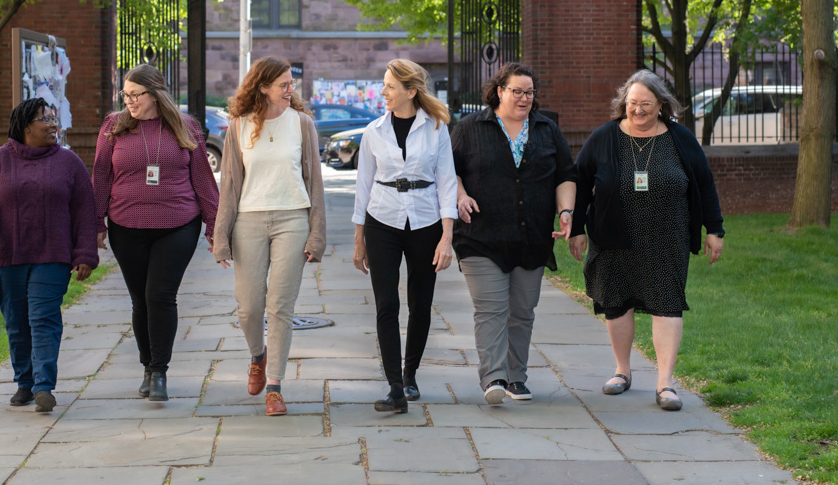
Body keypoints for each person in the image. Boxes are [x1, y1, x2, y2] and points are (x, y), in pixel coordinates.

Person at [569, 70, 724, 411]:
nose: (638, 110)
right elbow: (579, 182)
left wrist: (714, 230)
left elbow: (704, 183)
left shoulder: (680, 139)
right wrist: (576, 226)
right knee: (617, 302)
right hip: (613, 234)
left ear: (661, 105)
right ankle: (622, 371)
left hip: (667, 237)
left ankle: (665, 382)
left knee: (666, 302)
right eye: (632, 103)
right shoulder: (604, 138)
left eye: (646, 104)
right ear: (623, 102)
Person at [92, 65, 219, 402]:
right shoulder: (114, 126)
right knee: (140, 300)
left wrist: (214, 224)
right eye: (126, 94)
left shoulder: (184, 125)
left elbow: (203, 179)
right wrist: (95, 224)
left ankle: (160, 371)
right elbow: (101, 176)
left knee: (160, 296)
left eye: (136, 94)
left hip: (177, 225)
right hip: (125, 225)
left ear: (155, 94)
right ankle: (147, 365)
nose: (129, 101)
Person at [0, 98, 99, 414]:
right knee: (16, 321)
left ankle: (43, 386)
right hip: (8, 256)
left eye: (54, 117)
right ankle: (24, 382)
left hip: (53, 255)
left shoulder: (69, 163)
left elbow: (84, 210)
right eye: (45, 119)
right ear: (26, 127)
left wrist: (85, 253)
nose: (53, 124)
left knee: (44, 318)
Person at [452, 63, 576, 405]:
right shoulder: (470, 127)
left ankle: (516, 378)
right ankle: (493, 376)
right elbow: (450, 171)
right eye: (517, 91)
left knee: (521, 311)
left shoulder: (546, 130)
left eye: (530, 92)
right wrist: (460, 196)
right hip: (480, 235)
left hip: (530, 236)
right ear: (499, 91)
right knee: (491, 308)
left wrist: (566, 211)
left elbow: (566, 174)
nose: (524, 98)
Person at [212, 56, 327, 417]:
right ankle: (257, 357)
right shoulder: (238, 127)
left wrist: (317, 235)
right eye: (283, 85)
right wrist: (221, 236)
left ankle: (274, 387)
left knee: (280, 306)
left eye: (291, 84)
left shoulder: (303, 124)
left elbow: (315, 183)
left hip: (293, 219)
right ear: (263, 86)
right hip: (248, 220)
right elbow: (229, 184)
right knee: (249, 307)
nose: (290, 90)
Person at [352, 59, 458, 414]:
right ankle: (394, 385)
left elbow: (447, 182)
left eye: (390, 87)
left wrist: (447, 237)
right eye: (384, 85)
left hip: (426, 220)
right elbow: (362, 187)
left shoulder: (436, 128)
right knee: (387, 304)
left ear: (411, 91)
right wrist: (358, 239)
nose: (383, 92)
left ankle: (410, 374)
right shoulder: (373, 132)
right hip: (382, 219)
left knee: (420, 302)